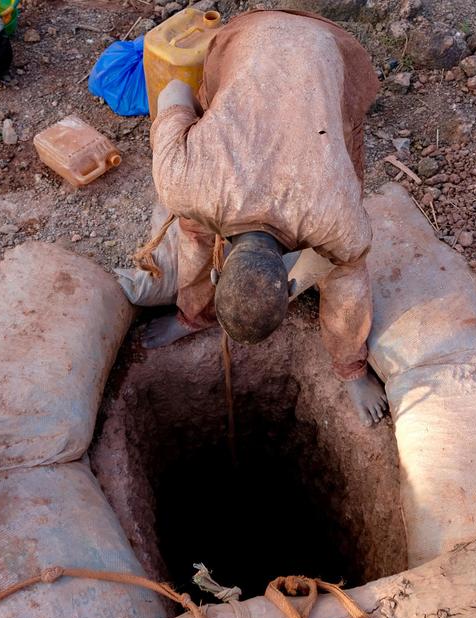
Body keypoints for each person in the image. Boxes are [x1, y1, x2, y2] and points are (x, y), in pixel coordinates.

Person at [135, 9, 385, 426]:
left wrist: (351, 370)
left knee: (344, 269)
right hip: (246, 39)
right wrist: (214, 126)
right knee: (193, 224)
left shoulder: (334, 214)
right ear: (288, 284)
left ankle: (349, 373)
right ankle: (192, 314)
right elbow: (178, 89)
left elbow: (172, 88)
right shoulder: (187, 183)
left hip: (327, 50)